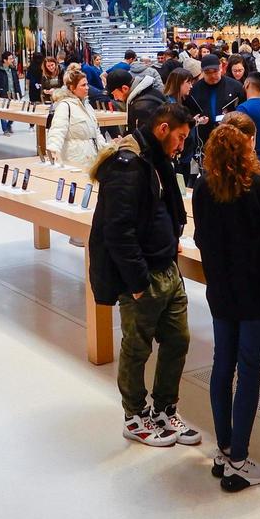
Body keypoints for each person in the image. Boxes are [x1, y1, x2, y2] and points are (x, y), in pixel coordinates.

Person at [192, 122, 260, 491]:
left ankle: (224, 448)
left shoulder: (203, 187)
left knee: (223, 364)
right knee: (250, 369)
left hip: (221, 289)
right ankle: (240, 457)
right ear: (247, 150)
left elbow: (200, 237)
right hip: (257, 290)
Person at [88, 103, 199, 446]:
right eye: (180, 137)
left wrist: (172, 240)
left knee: (178, 340)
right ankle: (134, 416)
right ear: (163, 129)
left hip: (167, 267)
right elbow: (117, 230)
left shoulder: (157, 160)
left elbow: (162, 207)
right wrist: (137, 283)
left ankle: (165, 409)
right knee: (137, 348)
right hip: (143, 276)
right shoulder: (128, 166)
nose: (182, 145)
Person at [46, 67, 103, 169]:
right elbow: (57, 130)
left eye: (87, 84)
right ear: (72, 88)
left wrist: (106, 149)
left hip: (91, 158)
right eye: (83, 85)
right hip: (74, 160)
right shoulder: (65, 106)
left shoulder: (88, 106)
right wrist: (53, 150)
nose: (87, 88)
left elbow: (96, 132)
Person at [187, 55, 245, 146]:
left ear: (221, 68)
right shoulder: (194, 90)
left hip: (230, 135)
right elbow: (189, 113)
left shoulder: (235, 87)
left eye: (215, 71)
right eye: (207, 72)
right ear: (202, 72)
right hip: (203, 138)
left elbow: (243, 112)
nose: (212, 75)